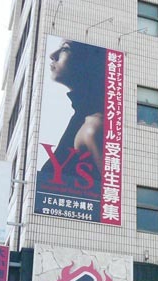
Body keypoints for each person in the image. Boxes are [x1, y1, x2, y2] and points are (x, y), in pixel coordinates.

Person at [37, 39, 106, 200]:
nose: (52, 55)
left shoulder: (93, 126)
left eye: (65, 49)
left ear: (87, 60)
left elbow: (117, 196)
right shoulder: (82, 118)